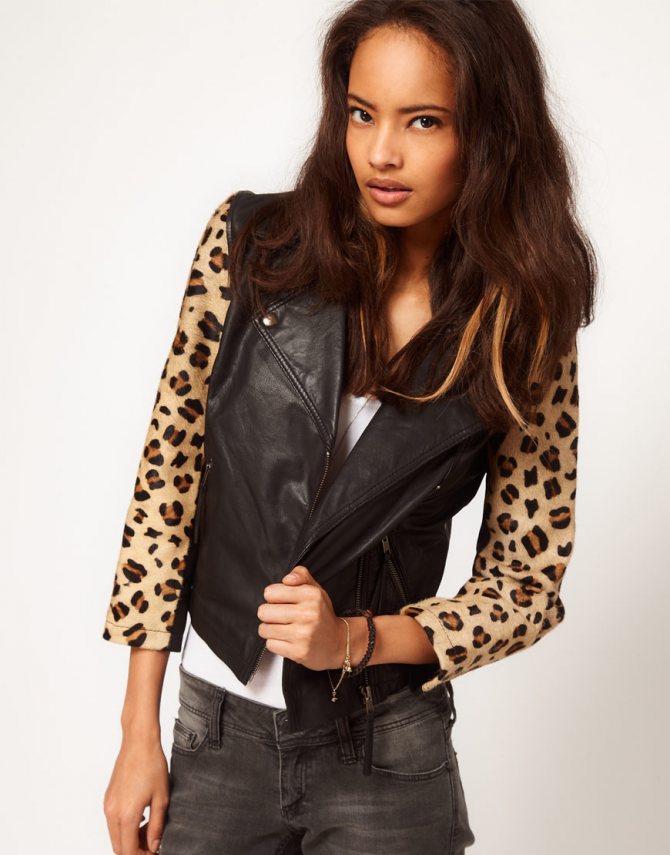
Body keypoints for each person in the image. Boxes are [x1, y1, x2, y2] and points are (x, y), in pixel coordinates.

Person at [102, 1, 597, 853]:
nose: (381, 153)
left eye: (424, 121)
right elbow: (168, 481)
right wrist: (136, 729)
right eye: (363, 113)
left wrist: (354, 640)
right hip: (213, 736)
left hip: (384, 748)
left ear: (490, 135)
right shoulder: (251, 245)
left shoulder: (522, 326)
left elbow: (527, 583)